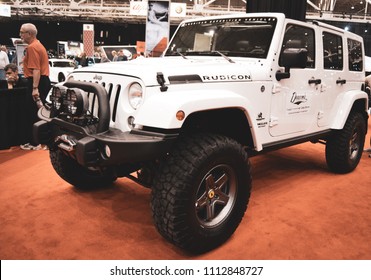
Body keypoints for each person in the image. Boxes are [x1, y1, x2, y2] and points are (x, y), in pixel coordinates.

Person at [19, 23, 51, 150]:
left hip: (37, 82)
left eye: (22, 32)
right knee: (41, 112)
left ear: (29, 34)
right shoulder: (38, 45)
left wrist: (34, 88)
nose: (20, 35)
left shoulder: (32, 47)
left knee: (34, 113)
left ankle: (35, 142)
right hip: (41, 82)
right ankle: (42, 142)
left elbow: (36, 70)